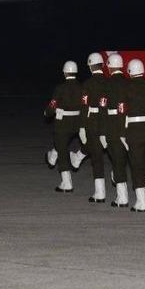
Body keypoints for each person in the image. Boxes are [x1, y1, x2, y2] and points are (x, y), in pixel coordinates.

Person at [117, 58, 145, 212]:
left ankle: (141, 201)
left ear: (129, 71)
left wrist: (122, 133)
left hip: (134, 130)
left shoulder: (125, 88)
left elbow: (121, 111)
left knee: (136, 165)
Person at [43, 60, 86, 192]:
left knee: (62, 149)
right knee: (60, 145)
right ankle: (52, 155)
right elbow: (85, 105)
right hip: (77, 121)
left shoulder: (60, 88)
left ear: (65, 72)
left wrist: (47, 112)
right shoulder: (82, 87)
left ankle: (66, 182)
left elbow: (53, 104)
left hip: (63, 122)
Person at [80, 52, 111, 203]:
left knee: (97, 157)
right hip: (109, 121)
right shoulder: (108, 82)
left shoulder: (88, 84)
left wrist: (82, 126)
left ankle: (100, 193)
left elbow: (84, 107)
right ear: (102, 65)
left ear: (90, 67)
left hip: (93, 122)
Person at [104, 53, 129, 207]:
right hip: (131, 124)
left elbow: (103, 106)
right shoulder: (129, 83)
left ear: (110, 66)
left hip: (114, 124)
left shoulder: (107, 84)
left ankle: (122, 197)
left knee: (118, 161)